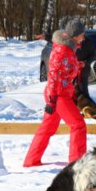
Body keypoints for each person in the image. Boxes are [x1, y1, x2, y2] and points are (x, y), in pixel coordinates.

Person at [23, 29, 87, 167]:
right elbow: (53, 75)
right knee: (78, 125)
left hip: (61, 93)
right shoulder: (62, 51)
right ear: (75, 35)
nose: (84, 37)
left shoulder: (68, 49)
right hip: (58, 95)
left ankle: (31, 161)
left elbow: (64, 68)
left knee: (47, 129)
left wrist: (78, 65)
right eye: (82, 34)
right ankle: (77, 162)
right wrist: (52, 100)